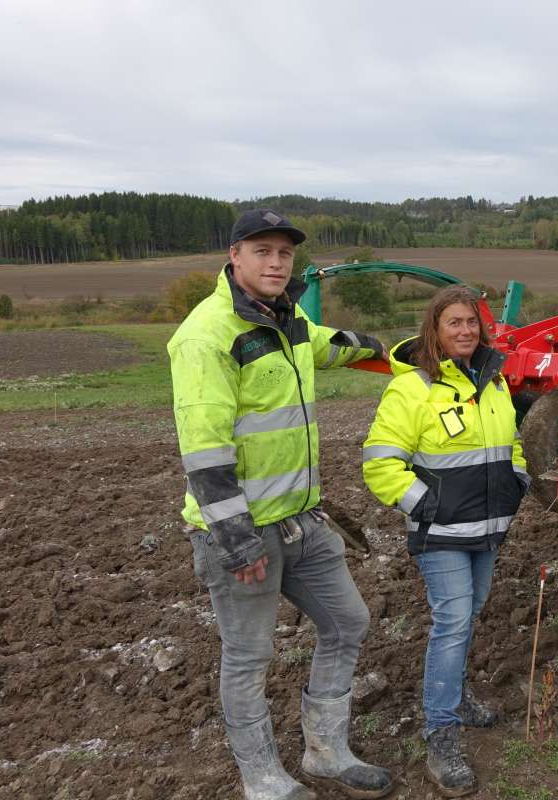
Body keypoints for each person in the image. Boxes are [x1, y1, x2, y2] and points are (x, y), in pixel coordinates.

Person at [169, 209, 394, 800]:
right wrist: (237, 540)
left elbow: (330, 345)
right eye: (262, 251)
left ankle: (326, 751)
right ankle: (262, 776)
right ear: (235, 255)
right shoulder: (207, 336)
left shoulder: (286, 321)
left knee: (348, 621)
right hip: (242, 532)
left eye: (284, 254)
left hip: (302, 519)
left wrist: (394, 350)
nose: (275, 262)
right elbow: (205, 453)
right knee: (249, 655)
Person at [361, 284, 528, 797]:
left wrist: (517, 479)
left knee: (471, 613)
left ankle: (454, 697)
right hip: (442, 534)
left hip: (487, 530)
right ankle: (441, 735)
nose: (464, 331)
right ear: (433, 330)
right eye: (453, 322)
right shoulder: (412, 388)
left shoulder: (493, 382)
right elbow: (380, 463)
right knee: (452, 621)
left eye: (471, 322)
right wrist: (426, 506)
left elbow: (512, 443)